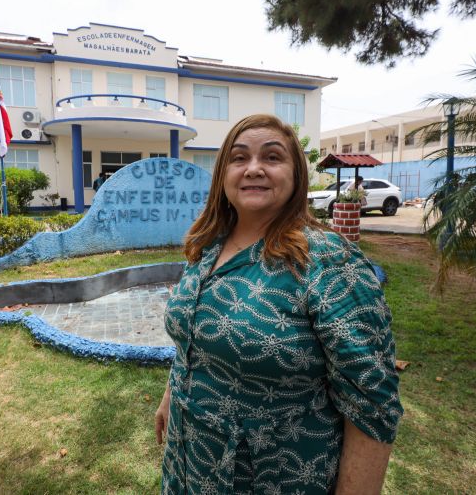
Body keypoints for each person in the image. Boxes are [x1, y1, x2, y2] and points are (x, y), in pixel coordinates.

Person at [154, 114, 403, 494]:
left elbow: (372, 403)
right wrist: (172, 396)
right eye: (239, 158)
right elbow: (190, 342)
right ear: (224, 174)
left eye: (272, 157)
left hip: (274, 475)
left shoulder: (329, 263)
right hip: (189, 463)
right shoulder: (207, 246)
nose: (253, 168)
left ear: (296, 175)